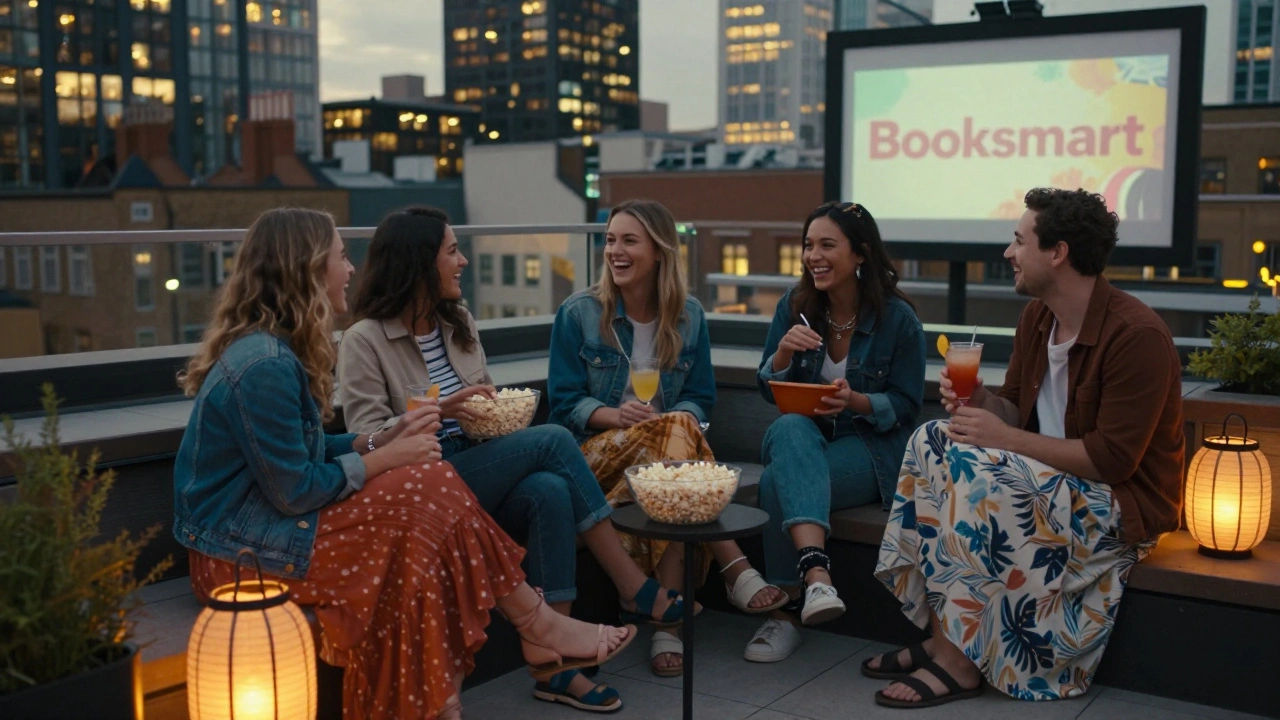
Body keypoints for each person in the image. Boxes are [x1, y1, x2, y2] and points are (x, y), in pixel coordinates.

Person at [172, 207, 635, 720]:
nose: (350, 270)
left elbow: (306, 455)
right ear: (305, 269)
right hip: (238, 556)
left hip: (264, 530)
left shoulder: (274, 352)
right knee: (425, 497)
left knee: (426, 516)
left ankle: (446, 695)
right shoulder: (265, 365)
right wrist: (388, 455)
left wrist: (379, 441)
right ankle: (530, 628)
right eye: (341, 258)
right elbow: (296, 491)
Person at [337, 206, 683, 713]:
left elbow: (485, 407)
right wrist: (437, 410)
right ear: (418, 262)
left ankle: (554, 664)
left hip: (475, 460)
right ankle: (631, 585)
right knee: (552, 441)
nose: (463, 262)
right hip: (424, 481)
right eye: (452, 251)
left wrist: (485, 412)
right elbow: (365, 438)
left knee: (550, 488)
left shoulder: (459, 322)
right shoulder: (364, 339)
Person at [871, 188, 1185, 708]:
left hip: (1117, 504)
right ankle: (947, 633)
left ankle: (958, 662)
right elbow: (1013, 409)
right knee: (933, 439)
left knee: (982, 470)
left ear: (1057, 253)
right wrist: (980, 402)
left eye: (1019, 241)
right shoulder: (1037, 319)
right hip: (1046, 482)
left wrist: (1004, 439)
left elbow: (1112, 461)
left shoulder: (1138, 336)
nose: (1008, 253)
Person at [547, 199, 788, 678]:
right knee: (678, 435)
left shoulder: (689, 316)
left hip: (658, 462)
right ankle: (732, 568)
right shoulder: (578, 313)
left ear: (659, 252)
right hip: (594, 458)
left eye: (628, 241)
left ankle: (667, 623)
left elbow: (700, 399)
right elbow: (563, 406)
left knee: (677, 440)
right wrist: (616, 415)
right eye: (611, 240)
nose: (615, 250)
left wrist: (676, 420)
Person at [746, 201, 925, 664]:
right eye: (808, 245)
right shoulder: (795, 306)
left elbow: (907, 407)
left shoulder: (898, 320)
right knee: (789, 426)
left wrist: (856, 401)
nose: (813, 256)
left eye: (827, 245)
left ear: (860, 253)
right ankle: (818, 579)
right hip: (804, 439)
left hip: (870, 450)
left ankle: (785, 612)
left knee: (773, 481)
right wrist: (782, 355)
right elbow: (767, 390)